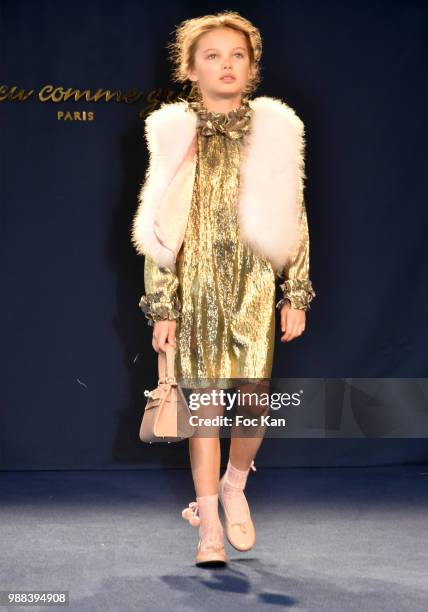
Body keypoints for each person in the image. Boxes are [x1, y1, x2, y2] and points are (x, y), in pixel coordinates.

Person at [131, 10, 316, 567]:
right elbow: (159, 222)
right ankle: (207, 524)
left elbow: (294, 212)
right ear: (190, 69)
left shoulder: (276, 130)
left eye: (237, 55)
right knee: (205, 409)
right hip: (197, 287)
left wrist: (295, 291)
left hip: (255, 282)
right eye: (211, 55)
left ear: (252, 66)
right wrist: (163, 304)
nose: (225, 65)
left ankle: (236, 484)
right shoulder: (174, 133)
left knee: (253, 403)